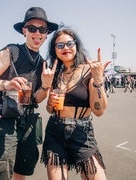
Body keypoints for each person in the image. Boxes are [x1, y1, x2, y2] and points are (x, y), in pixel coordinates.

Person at [0, 7, 58, 180]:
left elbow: (35, 99)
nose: (37, 33)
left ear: (47, 34)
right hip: (5, 119)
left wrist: (45, 87)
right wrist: (7, 84)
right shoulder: (12, 51)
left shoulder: (43, 63)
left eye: (42, 29)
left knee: (23, 168)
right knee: (0, 170)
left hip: (28, 121)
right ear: (24, 31)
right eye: (32, 28)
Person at [41, 26, 110, 180]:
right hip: (55, 131)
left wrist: (98, 80)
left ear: (76, 45)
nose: (65, 48)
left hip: (82, 132)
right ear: (55, 49)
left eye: (69, 43)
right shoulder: (55, 73)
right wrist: (50, 102)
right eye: (60, 45)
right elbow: (49, 110)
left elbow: (99, 111)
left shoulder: (89, 71)